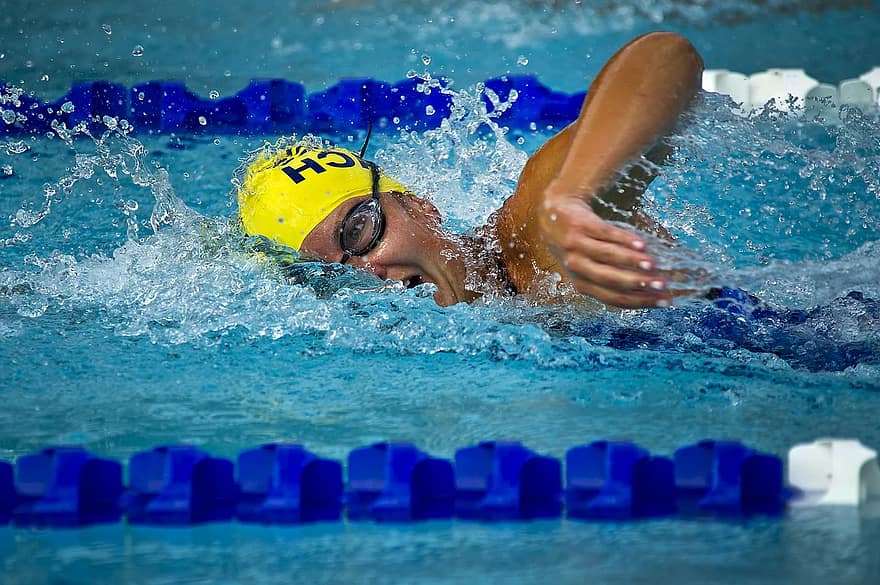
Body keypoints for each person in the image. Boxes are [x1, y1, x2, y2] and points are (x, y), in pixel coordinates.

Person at [237, 32, 704, 308]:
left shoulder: (537, 236)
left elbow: (664, 58)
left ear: (420, 206)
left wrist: (575, 195)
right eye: (331, 275)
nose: (367, 272)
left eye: (358, 231)